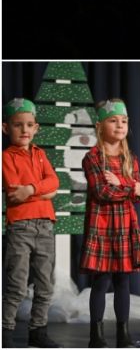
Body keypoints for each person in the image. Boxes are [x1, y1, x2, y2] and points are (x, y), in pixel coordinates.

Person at [81, 99, 140, 348]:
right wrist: (129, 187)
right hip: (102, 226)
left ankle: (123, 333)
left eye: (124, 121)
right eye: (113, 120)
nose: (120, 125)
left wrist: (122, 183)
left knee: (123, 281)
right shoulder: (93, 158)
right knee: (101, 280)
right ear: (100, 126)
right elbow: (102, 192)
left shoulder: (130, 158)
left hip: (124, 226)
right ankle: (96, 335)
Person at [2, 99, 60, 348]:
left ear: (36, 128)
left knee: (45, 284)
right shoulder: (6, 157)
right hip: (20, 227)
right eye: (18, 125)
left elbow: (54, 182)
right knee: (16, 284)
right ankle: (5, 331)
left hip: (45, 226)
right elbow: (14, 192)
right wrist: (44, 193)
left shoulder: (40, 154)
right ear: (6, 128)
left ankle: (38, 331)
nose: (24, 130)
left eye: (29, 125)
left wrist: (31, 189)